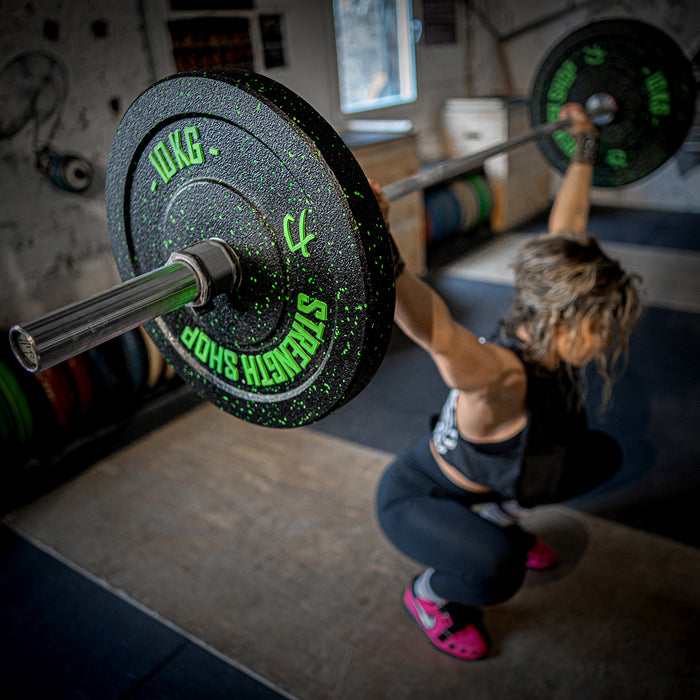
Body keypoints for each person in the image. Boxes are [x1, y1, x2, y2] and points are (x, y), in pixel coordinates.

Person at [372, 103, 643, 660]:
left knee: (600, 455)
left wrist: (585, 146)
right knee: (498, 567)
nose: (607, 341)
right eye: (599, 329)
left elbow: (566, 229)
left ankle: (499, 512)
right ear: (561, 322)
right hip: (419, 498)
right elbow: (439, 335)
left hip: (489, 482)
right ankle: (430, 597)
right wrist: (377, 243)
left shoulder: (549, 312)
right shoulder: (497, 375)